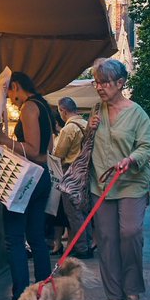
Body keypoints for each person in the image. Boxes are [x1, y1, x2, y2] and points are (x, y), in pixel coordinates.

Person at [87, 58, 150, 300]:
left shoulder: (137, 113)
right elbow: (87, 148)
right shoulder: (95, 110)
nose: (100, 87)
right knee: (106, 240)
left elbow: (146, 147)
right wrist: (89, 130)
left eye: (104, 82)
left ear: (120, 83)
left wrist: (131, 159)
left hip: (130, 183)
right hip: (100, 184)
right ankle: (114, 295)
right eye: (97, 82)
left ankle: (133, 292)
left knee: (130, 234)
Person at [0, 71, 53, 300]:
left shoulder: (29, 108)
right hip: (43, 175)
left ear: (15, 86)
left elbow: (33, 150)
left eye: (10, 94)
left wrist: (4, 139)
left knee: (15, 238)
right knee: (36, 238)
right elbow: (47, 149)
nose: (11, 100)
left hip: (27, 178)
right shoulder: (45, 107)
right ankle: (44, 297)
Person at [53, 96, 94, 257]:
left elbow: (58, 154)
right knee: (84, 211)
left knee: (73, 213)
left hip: (71, 173)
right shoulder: (85, 124)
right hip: (85, 173)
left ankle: (81, 248)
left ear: (62, 111)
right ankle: (88, 243)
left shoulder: (68, 129)